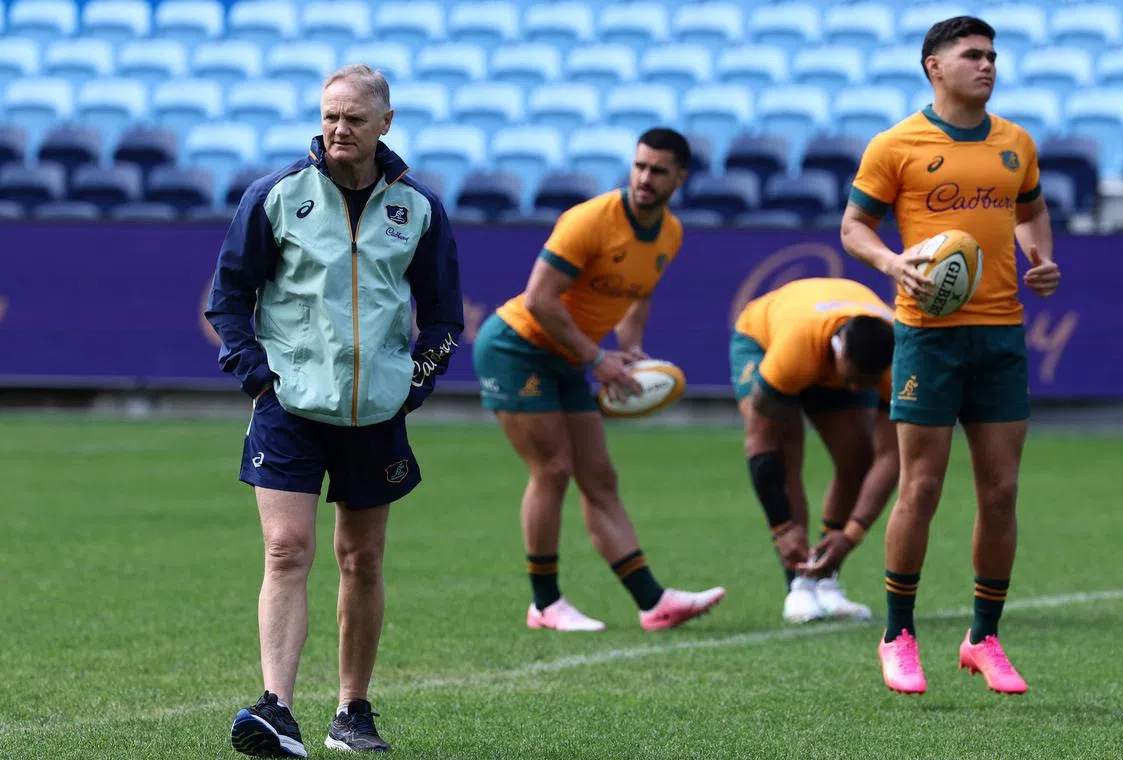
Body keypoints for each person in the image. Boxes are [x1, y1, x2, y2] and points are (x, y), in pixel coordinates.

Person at [205, 64, 464, 756]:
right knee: (286, 549)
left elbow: (442, 318)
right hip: (288, 407)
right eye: (329, 117)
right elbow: (227, 297)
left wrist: (413, 384)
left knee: (363, 560)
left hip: (376, 414)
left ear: (386, 122)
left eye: (353, 118)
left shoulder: (419, 209)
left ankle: (352, 713)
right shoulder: (277, 197)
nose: (338, 129)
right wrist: (258, 378)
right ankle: (276, 708)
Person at [840, 17, 1060, 696]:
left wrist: (1039, 255)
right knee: (922, 487)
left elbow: (1030, 210)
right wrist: (889, 262)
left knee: (1000, 491)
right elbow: (854, 227)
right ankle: (898, 634)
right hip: (927, 336)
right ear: (934, 66)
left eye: (993, 55)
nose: (988, 64)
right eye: (973, 55)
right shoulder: (897, 144)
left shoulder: (1015, 142)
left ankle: (983, 638)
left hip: (1000, 334)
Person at [472, 128, 725, 633]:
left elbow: (639, 293)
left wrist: (628, 348)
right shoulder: (589, 220)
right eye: (640, 166)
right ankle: (545, 604)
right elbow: (539, 299)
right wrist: (597, 359)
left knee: (600, 478)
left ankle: (653, 602)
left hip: (567, 356)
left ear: (681, 177)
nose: (645, 179)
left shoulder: (669, 234)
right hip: (516, 347)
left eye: (658, 170)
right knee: (553, 470)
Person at [731, 277, 899, 624]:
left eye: (863, 386)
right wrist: (782, 527)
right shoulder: (795, 351)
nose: (854, 390)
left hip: (829, 346)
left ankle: (825, 577)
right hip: (763, 340)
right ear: (839, 353)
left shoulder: (896, 365)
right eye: (852, 381)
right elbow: (761, 442)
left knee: (857, 457)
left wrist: (851, 534)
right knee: (787, 448)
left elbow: (892, 456)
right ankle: (798, 584)